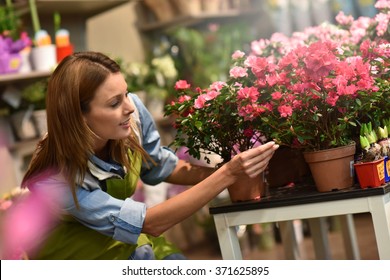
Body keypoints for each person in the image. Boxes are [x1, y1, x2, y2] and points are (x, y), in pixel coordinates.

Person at [21, 51, 279, 260]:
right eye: (114, 103)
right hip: (77, 257)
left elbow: (161, 167)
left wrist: (239, 170)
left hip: (127, 244)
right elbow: (149, 223)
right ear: (78, 117)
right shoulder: (54, 179)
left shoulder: (130, 119)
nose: (130, 107)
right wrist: (228, 174)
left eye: (126, 93)